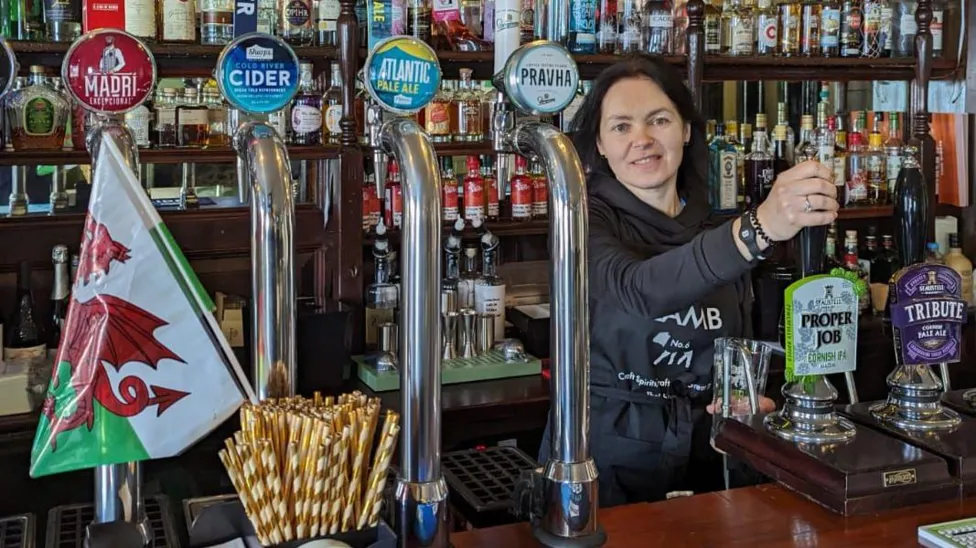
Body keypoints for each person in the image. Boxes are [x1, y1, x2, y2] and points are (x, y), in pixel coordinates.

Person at [538, 55, 839, 507]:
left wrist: (753, 402)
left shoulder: (716, 226)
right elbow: (639, 288)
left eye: (658, 120)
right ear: (599, 143)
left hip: (713, 452)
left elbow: (750, 343)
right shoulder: (579, 220)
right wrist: (758, 228)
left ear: (686, 131)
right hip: (606, 455)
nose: (641, 140)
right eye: (620, 126)